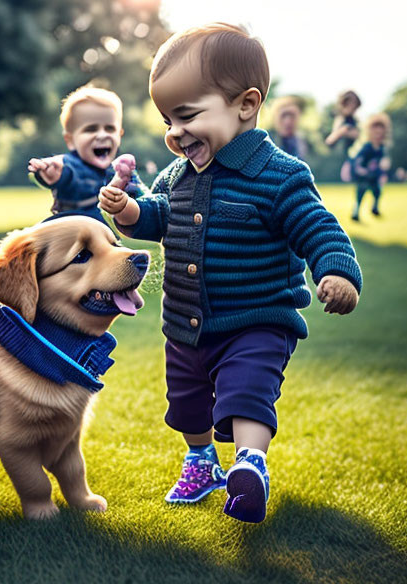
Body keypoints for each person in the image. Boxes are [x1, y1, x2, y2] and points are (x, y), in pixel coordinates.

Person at [99, 23, 362, 523]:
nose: (175, 133)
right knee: (187, 402)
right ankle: (200, 460)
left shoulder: (279, 174)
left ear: (245, 105)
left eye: (188, 116)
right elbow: (159, 217)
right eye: (166, 120)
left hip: (257, 319)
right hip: (186, 323)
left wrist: (338, 272)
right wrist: (130, 211)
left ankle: (249, 466)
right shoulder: (176, 176)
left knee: (246, 391)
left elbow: (319, 228)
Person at [28, 85, 144, 223]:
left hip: (104, 235)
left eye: (110, 128)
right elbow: (67, 171)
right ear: (70, 140)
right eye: (91, 129)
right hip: (72, 230)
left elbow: (144, 201)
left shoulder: (121, 169)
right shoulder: (72, 164)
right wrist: (53, 172)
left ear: (120, 135)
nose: (102, 135)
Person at [351, 113, 391, 221]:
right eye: (375, 132)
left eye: (380, 132)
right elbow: (358, 160)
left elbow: (384, 160)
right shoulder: (367, 147)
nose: (378, 135)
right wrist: (360, 169)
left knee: (377, 191)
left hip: (374, 176)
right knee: (361, 193)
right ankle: (356, 212)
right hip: (364, 175)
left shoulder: (382, 148)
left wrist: (385, 165)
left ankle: (375, 208)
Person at [324, 90, 361, 182]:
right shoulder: (340, 119)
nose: (352, 107)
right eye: (350, 104)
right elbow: (330, 140)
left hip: (354, 157)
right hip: (340, 158)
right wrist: (343, 132)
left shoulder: (355, 121)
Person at [272, 96, 308, 161]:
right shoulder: (267, 143)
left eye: (292, 116)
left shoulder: (307, 144)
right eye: (283, 116)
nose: (287, 122)